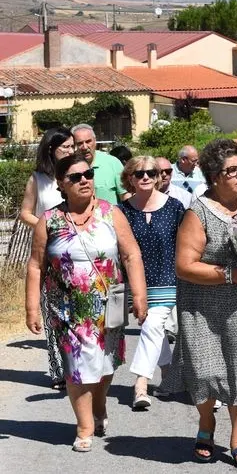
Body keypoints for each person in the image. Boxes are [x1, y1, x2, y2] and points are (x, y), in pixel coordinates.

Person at [24, 154, 148, 452]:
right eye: (75, 177)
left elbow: (131, 255)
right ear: (61, 185)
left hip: (110, 305)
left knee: (106, 365)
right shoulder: (50, 220)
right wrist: (31, 306)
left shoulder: (111, 213)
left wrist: (140, 295)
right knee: (77, 367)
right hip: (67, 307)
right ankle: (84, 426)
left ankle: (100, 403)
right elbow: (36, 266)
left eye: (88, 174)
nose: (84, 180)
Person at [165, 139, 237, 469]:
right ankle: (207, 424)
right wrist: (231, 274)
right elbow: (184, 265)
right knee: (206, 373)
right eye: (233, 170)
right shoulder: (199, 211)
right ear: (213, 176)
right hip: (203, 304)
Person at [119, 156, 185, 411]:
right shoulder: (122, 210)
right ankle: (168, 377)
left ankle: (141, 385)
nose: (145, 177)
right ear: (130, 179)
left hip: (168, 280)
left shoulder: (175, 207)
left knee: (152, 325)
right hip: (136, 284)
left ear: (158, 177)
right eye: (138, 173)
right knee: (152, 328)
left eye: (150, 173)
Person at [19, 127, 74, 389]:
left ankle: (77, 364)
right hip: (49, 250)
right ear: (52, 149)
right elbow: (25, 213)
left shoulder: (78, 175)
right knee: (52, 313)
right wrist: (47, 224)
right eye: (66, 147)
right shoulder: (38, 179)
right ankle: (58, 370)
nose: (71, 151)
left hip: (75, 252)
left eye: (73, 146)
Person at [71, 124, 128, 204]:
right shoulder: (70, 167)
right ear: (73, 145)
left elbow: (125, 195)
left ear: (95, 141)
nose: (84, 147)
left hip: (111, 215)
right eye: (80, 143)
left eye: (88, 141)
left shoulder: (112, 163)